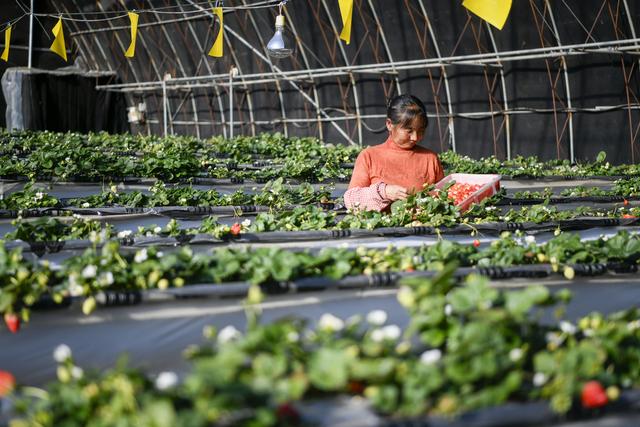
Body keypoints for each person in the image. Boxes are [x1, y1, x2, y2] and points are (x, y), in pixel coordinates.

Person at [344, 94, 444, 211]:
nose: (415, 137)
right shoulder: (369, 156)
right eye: (409, 130)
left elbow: (443, 197)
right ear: (389, 124)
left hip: (421, 227)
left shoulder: (430, 158)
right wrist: (383, 192)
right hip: (380, 228)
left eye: (421, 130)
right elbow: (350, 199)